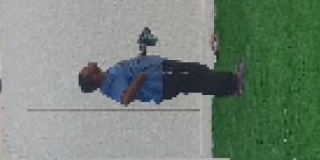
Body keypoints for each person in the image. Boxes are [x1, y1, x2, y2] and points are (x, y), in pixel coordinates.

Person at [79, 55, 245, 106]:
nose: (88, 65)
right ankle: (234, 85)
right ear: (92, 77)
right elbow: (125, 99)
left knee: (198, 71)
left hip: (161, 68)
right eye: (86, 69)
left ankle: (231, 85)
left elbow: (130, 71)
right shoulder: (108, 86)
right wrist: (139, 80)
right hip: (161, 82)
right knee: (197, 80)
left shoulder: (109, 74)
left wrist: (142, 54)